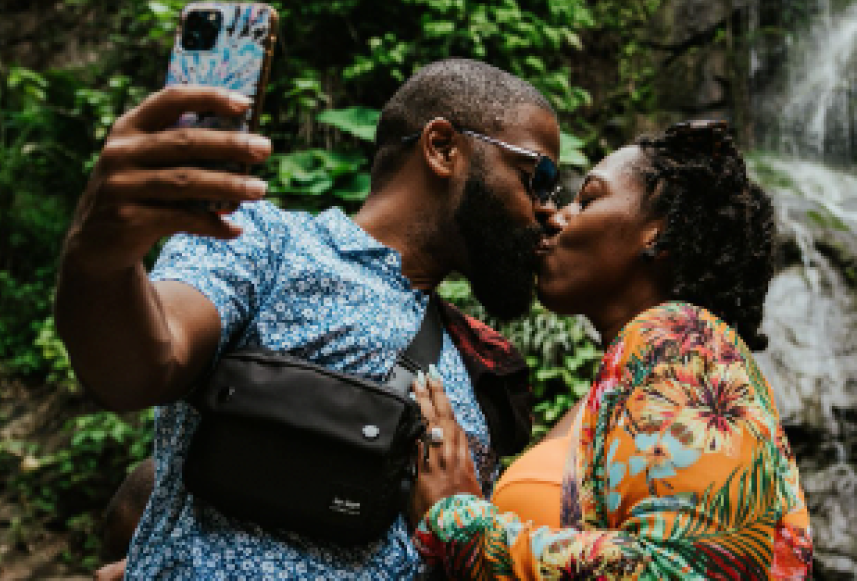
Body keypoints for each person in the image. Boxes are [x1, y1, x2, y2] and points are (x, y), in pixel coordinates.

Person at [56, 59, 560, 578]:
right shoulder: (262, 243)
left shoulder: (481, 365)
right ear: (442, 148)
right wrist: (99, 254)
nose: (548, 209)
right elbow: (141, 366)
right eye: (539, 177)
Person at [407, 120, 814, 579]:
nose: (554, 216)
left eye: (588, 199)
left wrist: (456, 522)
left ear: (658, 232)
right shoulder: (629, 381)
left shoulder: (681, 337)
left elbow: (692, 568)